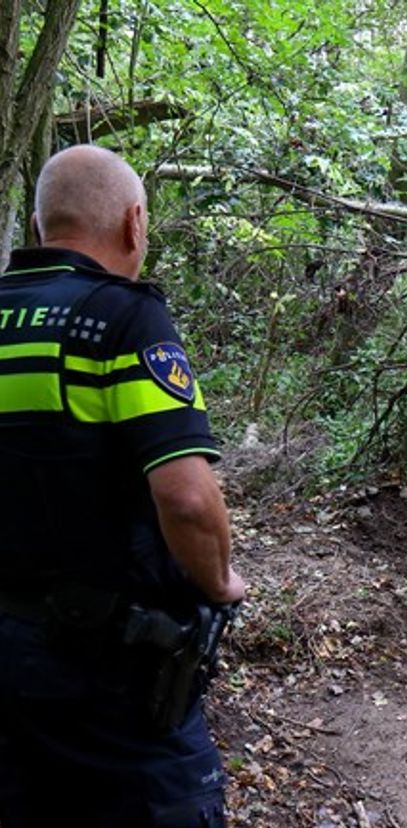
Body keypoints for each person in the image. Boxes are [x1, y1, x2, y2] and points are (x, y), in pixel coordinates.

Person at [0, 145, 245, 827]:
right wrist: (221, 580)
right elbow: (188, 499)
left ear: (44, 225)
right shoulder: (121, 319)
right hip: (109, 667)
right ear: (136, 223)